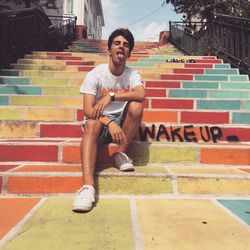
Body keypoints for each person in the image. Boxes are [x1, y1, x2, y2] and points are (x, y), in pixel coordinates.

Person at [72, 28, 146, 212]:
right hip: (99, 123)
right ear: (109, 49)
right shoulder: (96, 74)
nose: (121, 47)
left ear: (129, 53)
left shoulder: (131, 73)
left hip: (122, 123)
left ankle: (120, 154)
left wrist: (111, 96)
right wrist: (109, 122)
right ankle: (88, 188)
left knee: (137, 106)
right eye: (117, 43)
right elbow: (88, 110)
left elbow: (141, 94)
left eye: (126, 45)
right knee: (91, 124)